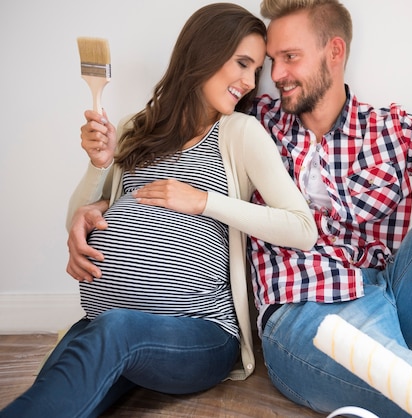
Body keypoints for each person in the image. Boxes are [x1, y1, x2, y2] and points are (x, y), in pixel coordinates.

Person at [64, 1, 412, 417]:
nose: (274, 73)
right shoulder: (251, 118)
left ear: (335, 52)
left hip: (392, 299)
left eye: (289, 58)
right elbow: (159, 134)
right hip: (304, 319)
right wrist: (91, 197)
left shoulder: (389, 128)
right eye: (270, 62)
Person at [0, 4, 317, 418]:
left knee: (109, 338)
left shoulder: (239, 132)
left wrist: (203, 201)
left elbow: (302, 228)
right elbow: (79, 219)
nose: (248, 81)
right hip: (109, 321)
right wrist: (98, 167)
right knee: (61, 386)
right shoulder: (136, 128)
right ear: (203, 51)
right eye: (242, 63)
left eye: (254, 70)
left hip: (200, 334)